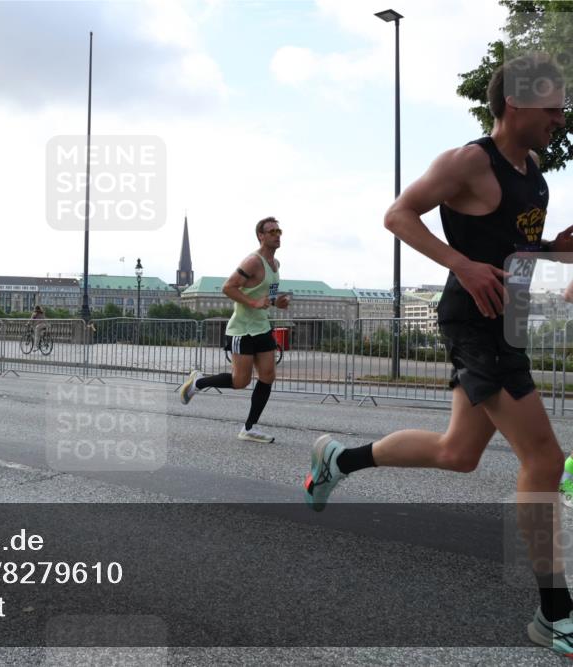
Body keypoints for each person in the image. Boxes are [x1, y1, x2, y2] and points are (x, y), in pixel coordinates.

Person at [302, 55, 573, 655]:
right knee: (545, 459)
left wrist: (555, 250)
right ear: (517, 102)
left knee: (458, 453)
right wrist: (460, 264)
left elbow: (513, 258)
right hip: (474, 326)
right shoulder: (468, 162)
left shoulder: (534, 172)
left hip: (504, 324)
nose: (561, 117)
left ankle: (338, 460)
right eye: (554, 106)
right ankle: (555, 614)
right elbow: (397, 215)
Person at [178, 216, 290, 443]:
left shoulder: (275, 265)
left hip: (262, 327)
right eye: (271, 231)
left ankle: (249, 428)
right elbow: (228, 287)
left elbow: (264, 296)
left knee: (268, 376)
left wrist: (276, 302)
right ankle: (198, 382)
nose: (277, 235)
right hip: (242, 330)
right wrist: (253, 303)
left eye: (278, 231)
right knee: (240, 382)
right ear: (260, 236)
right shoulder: (253, 262)